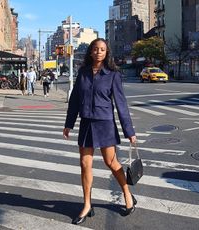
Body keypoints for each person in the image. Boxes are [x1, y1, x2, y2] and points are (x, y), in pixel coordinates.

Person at [63, 38, 137, 225]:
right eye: (95, 49)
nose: (98, 52)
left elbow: (121, 104)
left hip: (105, 123)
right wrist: (69, 124)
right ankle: (87, 204)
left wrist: (129, 131)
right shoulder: (83, 73)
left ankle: (127, 193)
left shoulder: (112, 74)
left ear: (106, 53)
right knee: (84, 163)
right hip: (87, 123)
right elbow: (74, 100)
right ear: (90, 52)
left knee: (111, 162)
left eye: (102, 49)